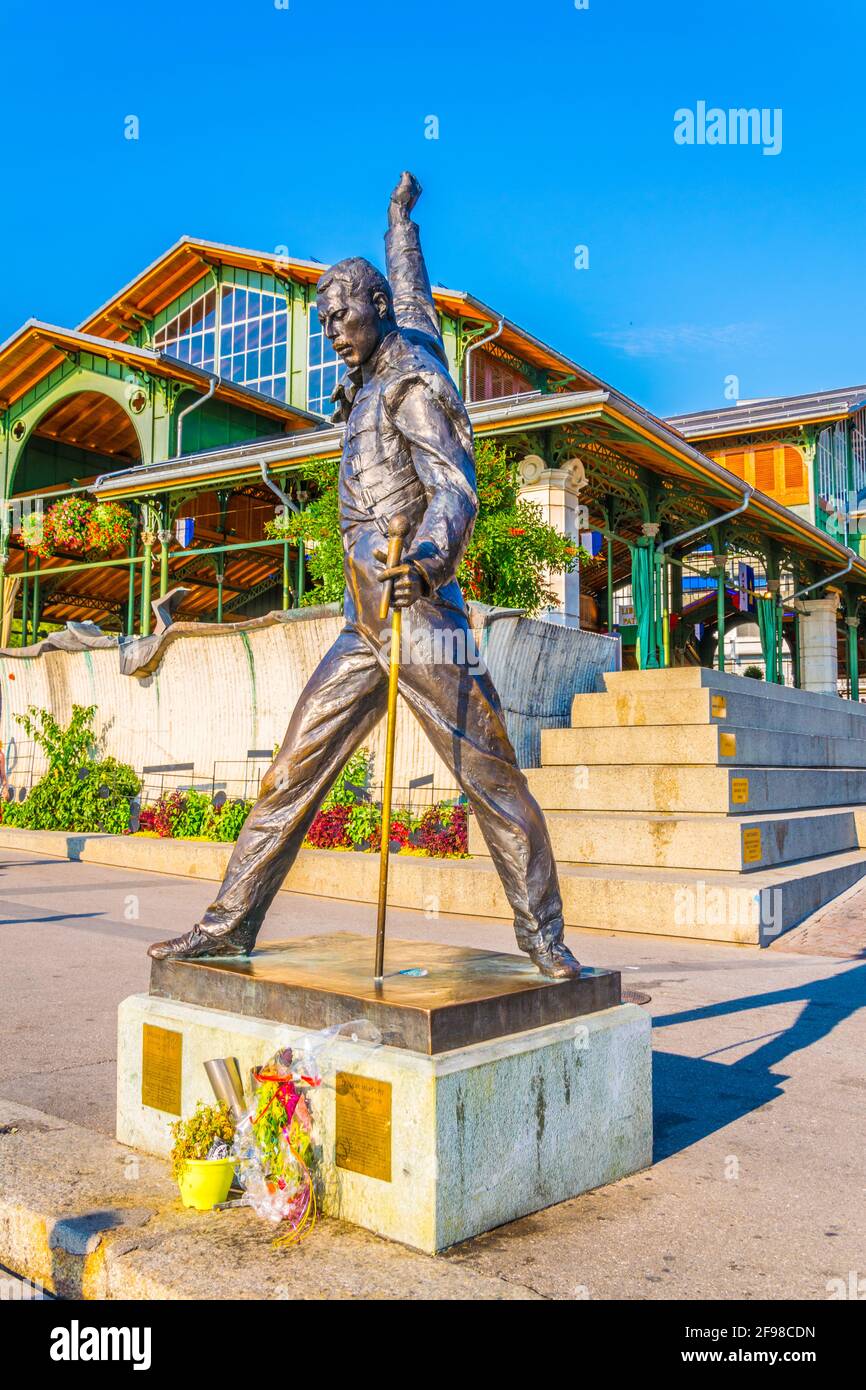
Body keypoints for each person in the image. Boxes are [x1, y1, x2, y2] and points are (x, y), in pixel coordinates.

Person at [149, 173, 580, 979]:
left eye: (340, 317)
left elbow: (456, 489)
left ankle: (543, 938)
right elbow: (413, 286)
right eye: (320, 323)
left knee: (489, 776)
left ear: (373, 310)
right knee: (290, 771)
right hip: (362, 625)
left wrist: (424, 560)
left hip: (419, 616)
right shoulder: (400, 329)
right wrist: (399, 224)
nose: (331, 334)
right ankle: (229, 925)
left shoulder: (411, 383)